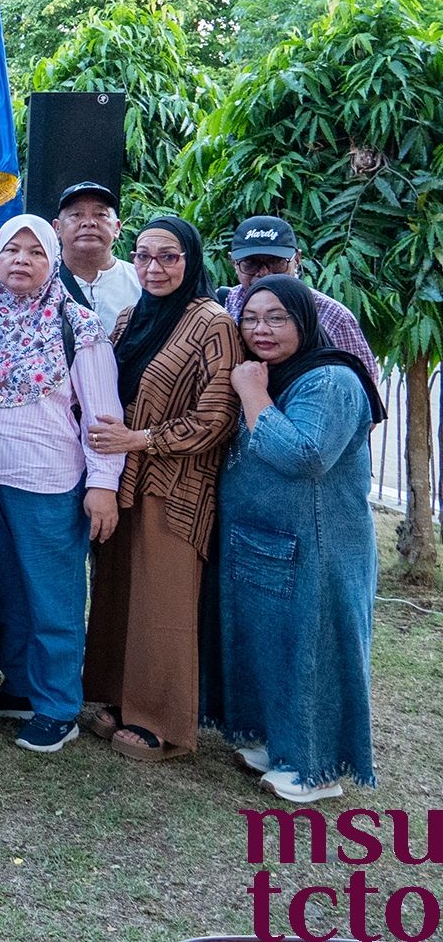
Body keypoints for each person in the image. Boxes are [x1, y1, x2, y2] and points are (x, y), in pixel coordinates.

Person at [206, 275, 385, 804]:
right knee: (272, 645)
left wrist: (252, 393)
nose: (262, 329)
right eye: (252, 318)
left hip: (320, 547)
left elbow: (304, 456)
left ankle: (315, 768)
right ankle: (279, 744)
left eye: (277, 318)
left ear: (305, 321)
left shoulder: (330, 380)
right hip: (268, 542)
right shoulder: (279, 372)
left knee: (313, 648)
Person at [81, 217, 240, 762]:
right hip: (122, 478)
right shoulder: (129, 319)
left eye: (169, 257)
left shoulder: (212, 322)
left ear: (191, 260)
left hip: (175, 486)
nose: (154, 268)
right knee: (118, 590)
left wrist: (139, 438)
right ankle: (117, 697)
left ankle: (161, 723)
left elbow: (216, 416)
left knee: (162, 600)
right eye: (144, 256)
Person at [0, 214, 125, 755]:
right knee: (4, 590)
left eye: (36, 253)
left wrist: (102, 485)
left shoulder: (78, 326)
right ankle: (19, 684)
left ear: (53, 261)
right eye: (12, 250)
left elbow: (103, 417)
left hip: (49, 481)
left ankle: (58, 706)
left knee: (52, 596)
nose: (21, 262)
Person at [219, 215, 378, 381]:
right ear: (233, 263)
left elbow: (363, 386)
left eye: (276, 262)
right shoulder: (223, 307)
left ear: (297, 259)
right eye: (251, 263)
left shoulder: (334, 316)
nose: (264, 272)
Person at [53, 182, 141, 329]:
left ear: (117, 228)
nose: (89, 223)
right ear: (57, 228)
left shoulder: (141, 281)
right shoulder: (40, 282)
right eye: (76, 215)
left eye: (101, 215)